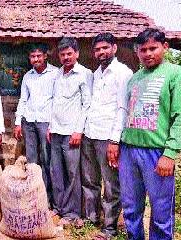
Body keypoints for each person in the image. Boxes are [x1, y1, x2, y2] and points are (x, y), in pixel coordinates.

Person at [119, 28, 181, 240]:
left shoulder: (175, 74)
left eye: (153, 48)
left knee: (161, 213)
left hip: (157, 152)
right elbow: (127, 113)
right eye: (143, 50)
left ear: (165, 47)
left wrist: (170, 153)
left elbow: (179, 116)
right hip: (129, 150)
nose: (148, 53)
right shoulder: (134, 78)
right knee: (130, 208)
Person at [81, 33, 133, 239]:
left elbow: (123, 108)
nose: (101, 52)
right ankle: (92, 218)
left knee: (111, 184)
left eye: (105, 48)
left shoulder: (123, 73)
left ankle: (110, 227)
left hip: (107, 137)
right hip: (90, 132)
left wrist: (114, 140)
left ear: (114, 48)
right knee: (90, 179)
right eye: (97, 49)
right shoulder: (97, 73)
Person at [48, 37, 92, 227]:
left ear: (77, 54)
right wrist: (50, 126)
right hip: (56, 130)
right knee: (56, 171)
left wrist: (78, 131)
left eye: (69, 54)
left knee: (73, 173)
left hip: (72, 133)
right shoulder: (58, 74)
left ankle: (73, 212)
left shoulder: (84, 74)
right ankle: (58, 208)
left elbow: (87, 104)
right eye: (62, 54)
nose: (66, 57)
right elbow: (54, 102)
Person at [14, 43, 59, 206]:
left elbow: (57, 100)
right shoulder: (28, 76)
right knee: (32, 160)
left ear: (45, 56)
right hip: (29, 122)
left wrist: (52, 125)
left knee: (48, 160)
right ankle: (34, 196)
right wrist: (18, 122)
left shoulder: (55, 73)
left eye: (39, 56)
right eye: (32, 57)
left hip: (46, 122)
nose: (36, 59)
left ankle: (48, 198)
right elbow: (23, 99)